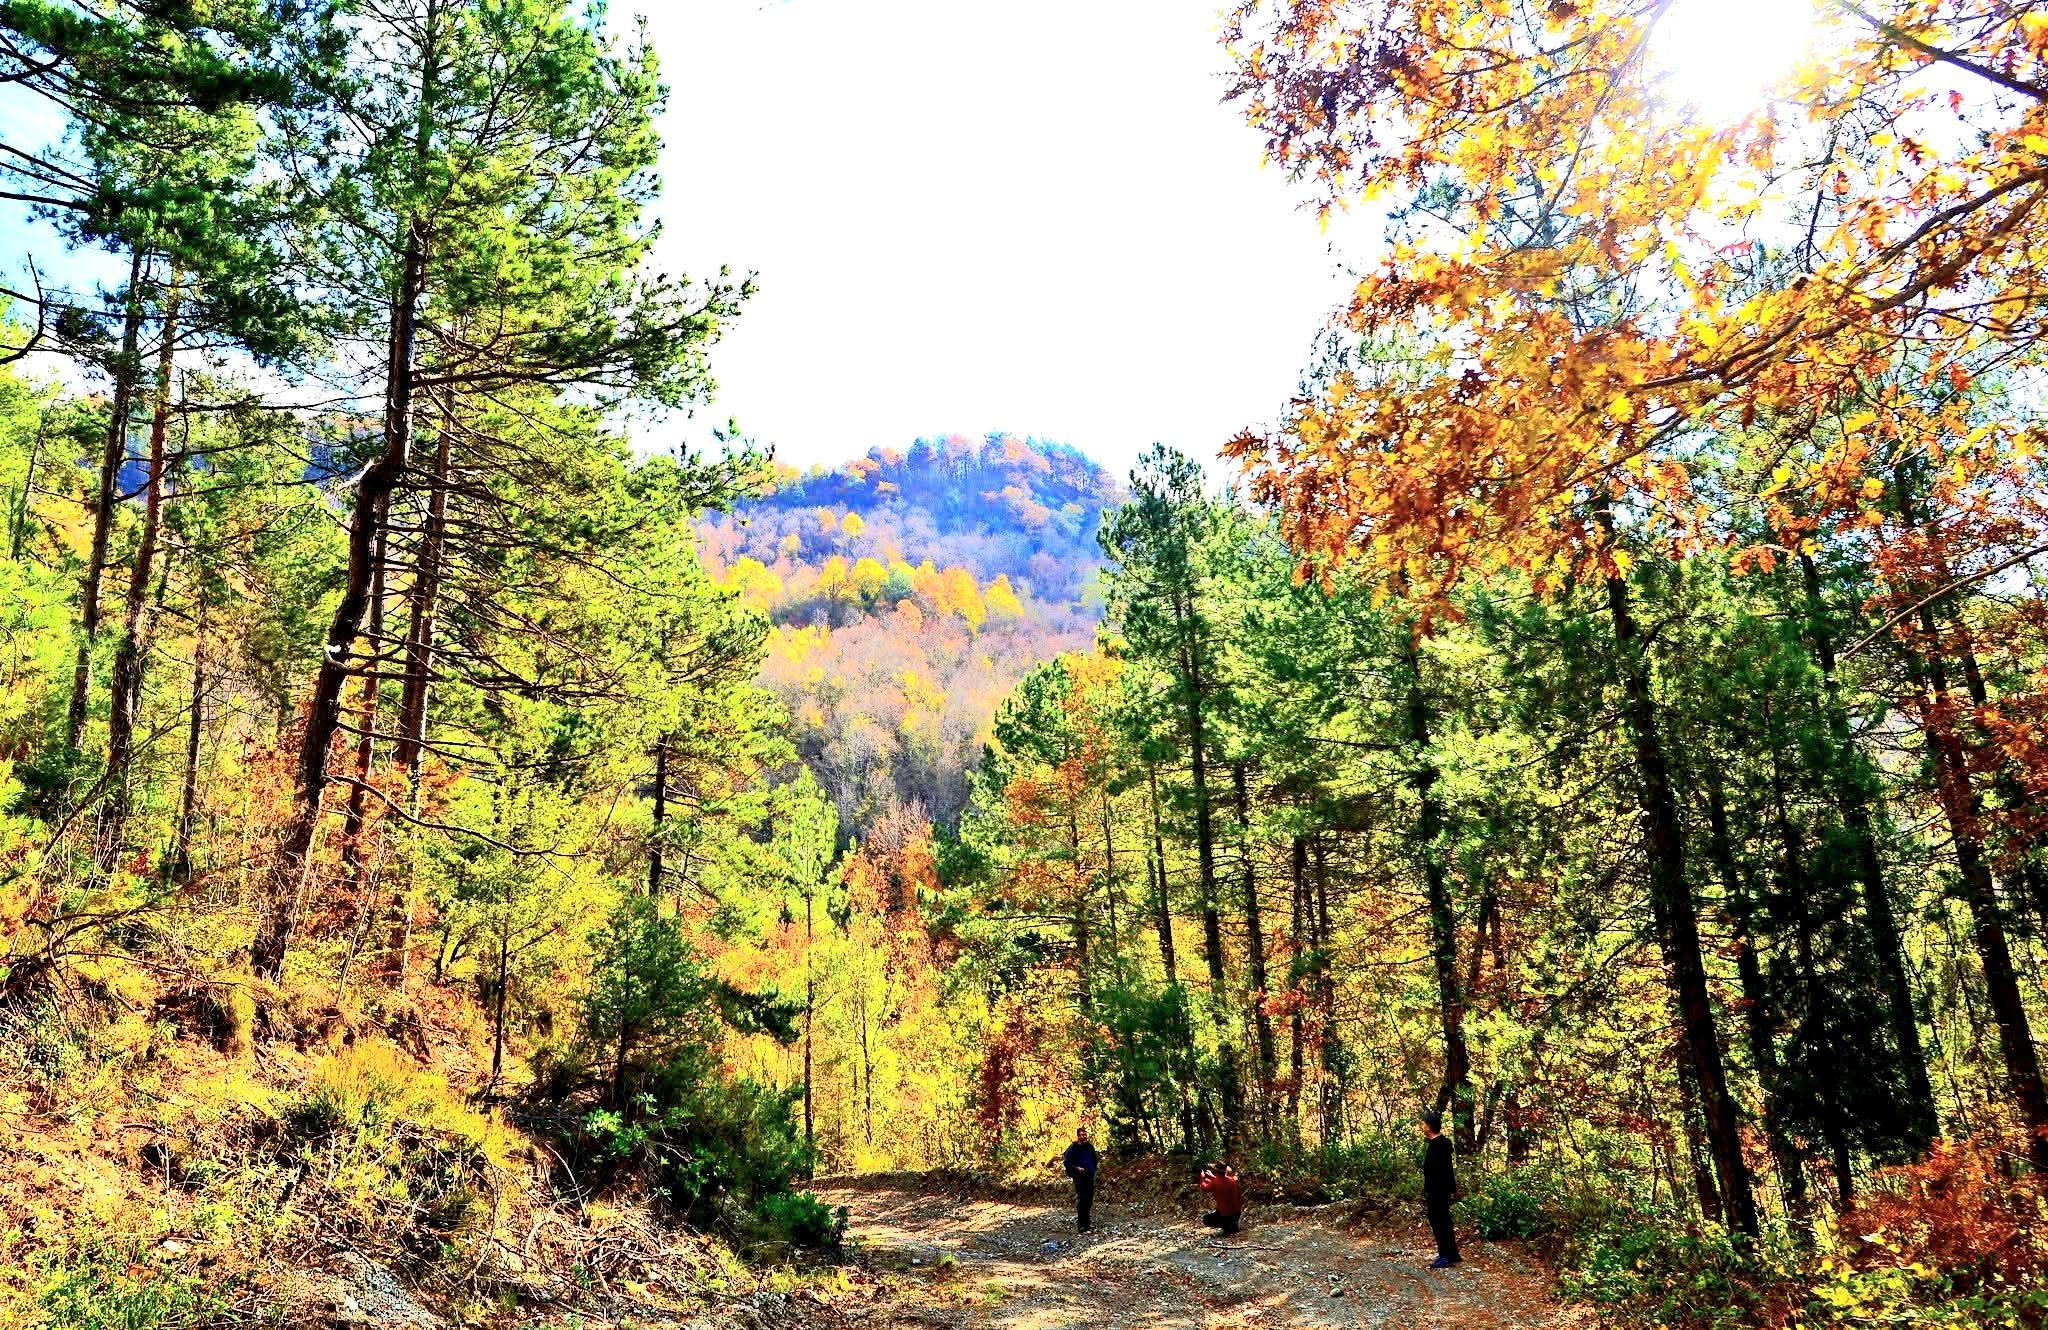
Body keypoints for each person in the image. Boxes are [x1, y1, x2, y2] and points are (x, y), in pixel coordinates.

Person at [1419, 1109, 1461, 1268]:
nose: (1422, 1126)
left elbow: (1443, 1171)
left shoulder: (1438, 1146)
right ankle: (1452, 1253)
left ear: (1429, 1126)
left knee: (1438, 1221)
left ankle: (1445, 1255)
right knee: (1443, 1220)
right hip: (1438, 1190)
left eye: (1423, 1123)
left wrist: (1445, 1189)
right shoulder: (1438, 1144)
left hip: (1438, 1191)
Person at [1061, 1126, 1099, 1232]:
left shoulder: (1089, 1147)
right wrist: (1076, 1168)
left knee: (1089, 1200)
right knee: (1082, 1200)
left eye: (1085, 1134)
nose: (1084, 1136)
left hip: (1089, 1177)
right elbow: (1067, 1163)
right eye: (1082, 1135)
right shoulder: (1072, 1149)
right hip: (1079, 1178)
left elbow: (1094, 1159)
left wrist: (1093, 1169)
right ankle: (1081, 1225)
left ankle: (1087, 1223)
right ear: (1078, 1136)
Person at [1198, 1161, 1243, 1235]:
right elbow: (1223, 1181)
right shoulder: (1232, 1180)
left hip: (1225, 1215)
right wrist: (1213, 1177)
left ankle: (1229, 1227)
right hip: (1237, 1213)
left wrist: (1202, 1178)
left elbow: (1204, 1187)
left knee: (1206, 1220)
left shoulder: (1215, 1182)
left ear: (1216, 1171)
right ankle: (1231, 1225)